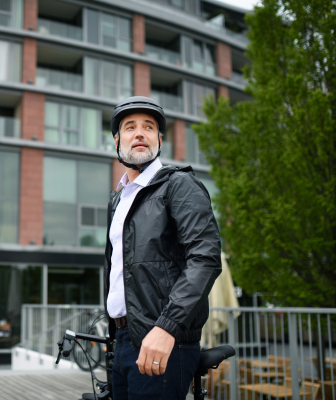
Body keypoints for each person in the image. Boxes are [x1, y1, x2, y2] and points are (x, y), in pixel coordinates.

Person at [105, 96, 222, 400]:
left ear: (159, 138)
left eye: (149, 126)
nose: (139, 133)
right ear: (117, 141)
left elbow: (205, 259)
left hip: (163, 338)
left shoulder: (178, 184)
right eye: (130, 127)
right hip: (122, 340)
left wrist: (166, 328)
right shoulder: (117, 200)